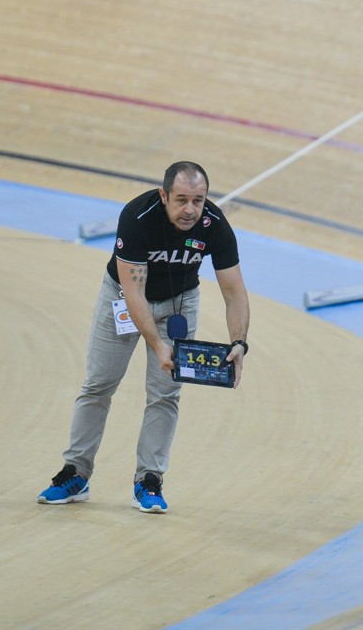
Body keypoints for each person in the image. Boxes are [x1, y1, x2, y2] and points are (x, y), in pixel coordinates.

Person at [37, 161, 250, 513]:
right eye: (181, 200)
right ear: (164, 195)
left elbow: (234, 292)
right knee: (99, 384)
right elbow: (134, 296)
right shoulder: (138, 217)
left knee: (166, 393)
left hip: (180, 302)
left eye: (198, 201)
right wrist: (156, 343)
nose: (190, 210)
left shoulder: (215, 225)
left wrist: (240, 342)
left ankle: (149, 479)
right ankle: (76, 472)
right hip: (123, 299)